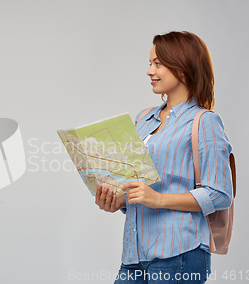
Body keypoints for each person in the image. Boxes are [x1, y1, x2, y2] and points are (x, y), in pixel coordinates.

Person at [95, 31, 233, 283]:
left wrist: (158, 198)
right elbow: (139, 184)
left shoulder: (204, 122)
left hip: (178, 254)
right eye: (150, 64)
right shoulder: (143, 119)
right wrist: (119, 200)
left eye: (158, 63)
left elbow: (220, 193)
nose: (150, 71)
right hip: (134, 255)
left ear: (182, 68)